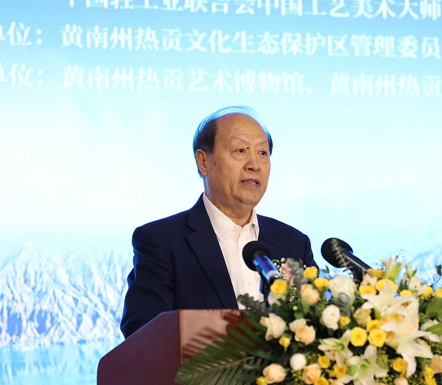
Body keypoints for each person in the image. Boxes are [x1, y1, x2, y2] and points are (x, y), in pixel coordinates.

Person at [120, 106, 315, 338]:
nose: (254, 164)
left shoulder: (294, 243)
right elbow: (142, 331)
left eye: (263, 153)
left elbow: (316, 323)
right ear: (203, 161)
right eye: (240, 150)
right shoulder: (161, 241)